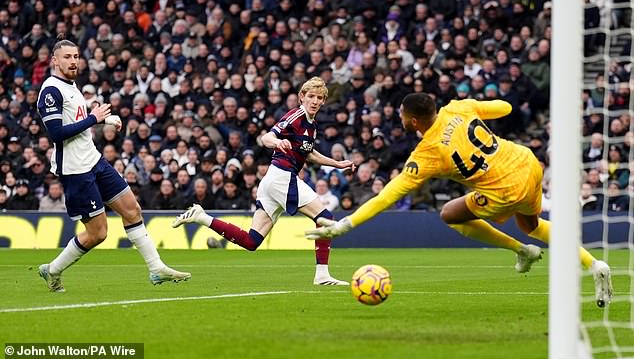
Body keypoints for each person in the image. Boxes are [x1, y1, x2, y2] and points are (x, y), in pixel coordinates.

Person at [306, 93, 613, 307]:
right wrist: (477, 108)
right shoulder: (458, 107)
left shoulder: (426, 152)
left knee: (450, 214)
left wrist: (346, 224)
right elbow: (505, 107)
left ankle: (519, 249)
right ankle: (593, 263)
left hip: (503, 188)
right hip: (527, 163)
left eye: (402, 115)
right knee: (531, 225)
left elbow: (389, 194)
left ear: (412, 121)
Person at [36, 35, 190, 292]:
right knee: (98, 233)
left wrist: (105, 120)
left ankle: (156, 268)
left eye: (75, 56)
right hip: (76, 170)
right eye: (67, 57)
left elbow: (79, 121)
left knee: (132, 210)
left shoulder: (70, 85)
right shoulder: (51, 90)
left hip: (94, 161)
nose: (73, 61)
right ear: (54, 60)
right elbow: (56, 134)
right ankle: (53, 269)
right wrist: (95, 119)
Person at [173, 78, 355, 285]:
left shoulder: (311, 125)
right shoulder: (296, 115)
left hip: (273, 180)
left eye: (319, 98)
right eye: (311, 96)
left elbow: (309, 154)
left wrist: (337, 164)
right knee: (325, 217)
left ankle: (201, 217)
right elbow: (266, 138)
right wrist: (279, 142)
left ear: (323, 102)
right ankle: (322, 275)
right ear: (301, 97)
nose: (314, 101)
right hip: (281, 177)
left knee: (252, 241)